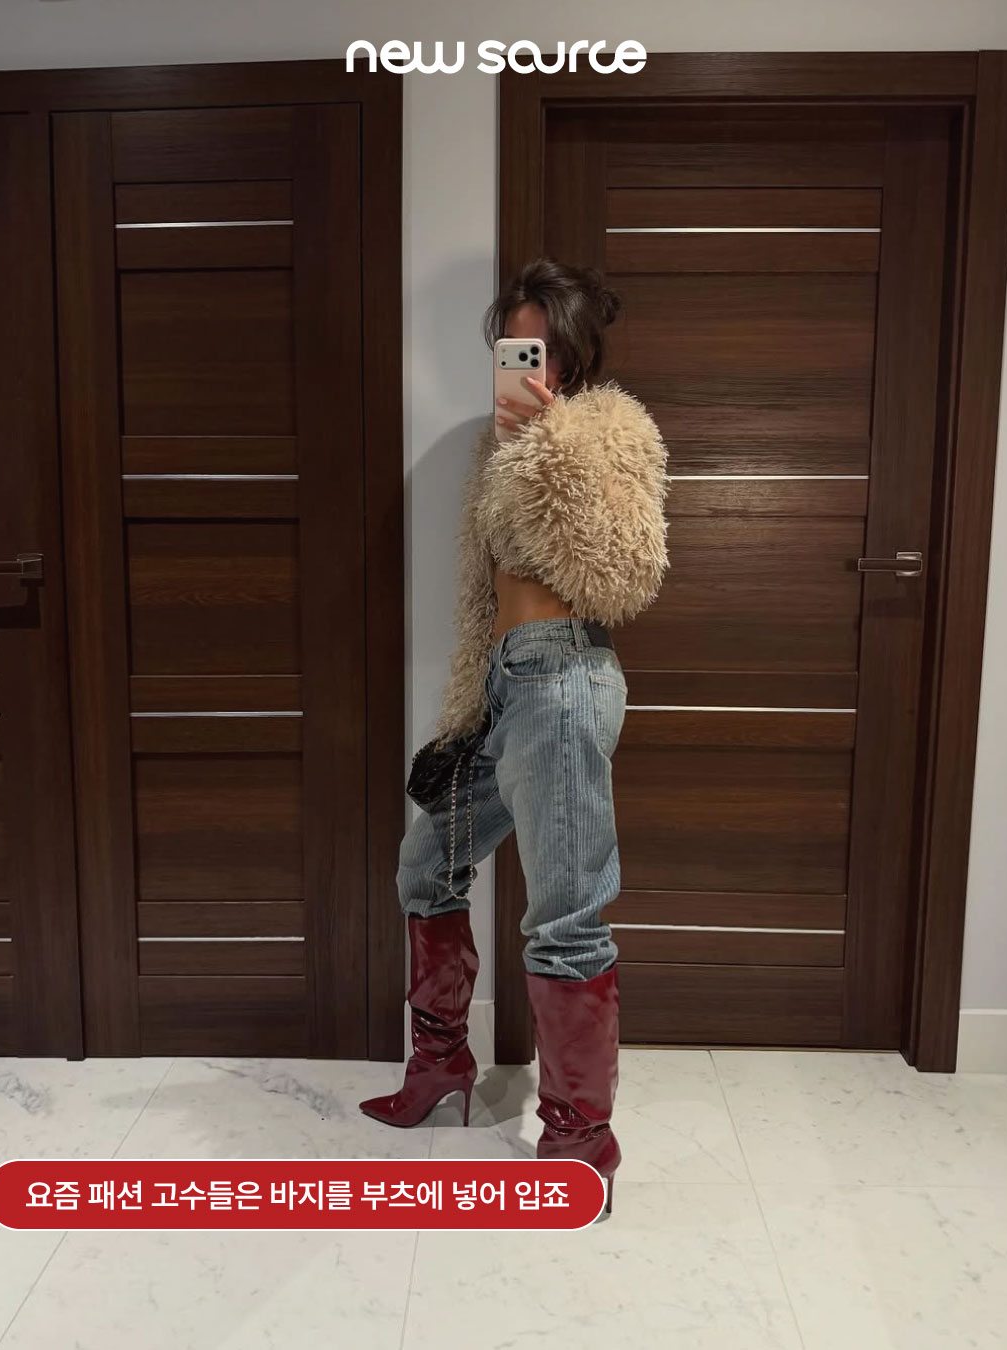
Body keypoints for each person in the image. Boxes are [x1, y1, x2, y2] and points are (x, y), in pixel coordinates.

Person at [359, 257, 670, 1216]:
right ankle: (441, 1066)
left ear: (572, 354)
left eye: (539, 345)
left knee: (566, 915)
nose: (523, 361)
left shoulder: (610, 432)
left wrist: (551, 445)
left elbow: (623, 575)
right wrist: (466, 705)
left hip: (565, 680)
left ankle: (580, 1141)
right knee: (426, 864)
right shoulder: (495, 451)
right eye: (511, 344)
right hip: (502, 689)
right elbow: (479, 594)